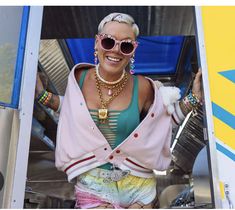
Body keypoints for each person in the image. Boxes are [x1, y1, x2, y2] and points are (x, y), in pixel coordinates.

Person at [35, 13, 202, 209]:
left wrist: (194, 98)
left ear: (133, 51)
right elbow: (71, 109)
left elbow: (164, 124)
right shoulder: (78, 79)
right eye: (108, 41)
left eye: (126, 45)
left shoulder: (143, 87)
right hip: (93, 186)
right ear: (97, 43)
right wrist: (41, 94)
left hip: (139, 187)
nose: (116, 50)